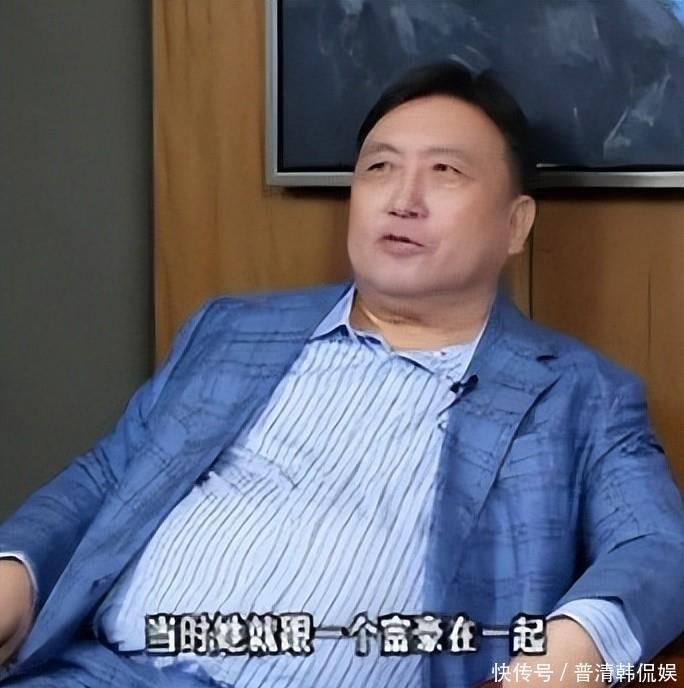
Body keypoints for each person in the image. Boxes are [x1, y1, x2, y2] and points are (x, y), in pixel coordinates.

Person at [0, 62, 682, 688]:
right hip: (95, 673)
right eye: (379, 168)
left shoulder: (580, 394)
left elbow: (657, 546)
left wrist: (563, 659)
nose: (402, 199)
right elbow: (106, 475)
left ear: (515, 224)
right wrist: (14, 568)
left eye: (445, 172)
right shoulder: (230, 329)